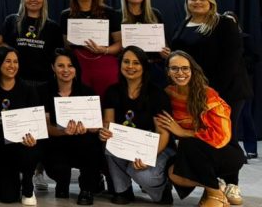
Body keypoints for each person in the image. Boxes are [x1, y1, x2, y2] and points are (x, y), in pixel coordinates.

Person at [170, 0, 252, 204]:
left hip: (227, 91)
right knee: (205, 136)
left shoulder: (223, 23)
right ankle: (215, 181)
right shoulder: (183, 25)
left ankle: (232, 184)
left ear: (211, 2)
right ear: (187, 2)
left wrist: (211, 94)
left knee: (226, 136)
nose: (197, 2)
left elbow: (231, 61)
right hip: (198, 93)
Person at [155, 51, 246, 207]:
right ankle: (216, 186)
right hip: (194, 153)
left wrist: (184, 132)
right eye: (174, 68)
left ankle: (215, 194)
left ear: (192, 70)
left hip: (224, 151)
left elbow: (221, 136)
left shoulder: (207, 95)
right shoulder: (167, 93)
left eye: (185, 68)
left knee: (188, 143)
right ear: (168, 72)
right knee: (172, 173)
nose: (180, 73)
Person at [97, 46, 173, 204]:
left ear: (144, 66)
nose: (130, 66)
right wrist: (104, 132)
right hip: (126, 145)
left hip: (157, 147)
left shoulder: (157, 94)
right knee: (109, 144)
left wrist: (148, 157)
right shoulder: (112, 91)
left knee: (140, 173)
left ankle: (162, 191)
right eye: (126, 62)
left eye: (136, 63)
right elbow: (108, 124)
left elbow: (163, 133)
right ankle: (123, 191)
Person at [42, 49, 103, 205]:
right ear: (53, 67)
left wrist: (91, 128)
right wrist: (63, 131)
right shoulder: (43, 91)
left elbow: (97, 126)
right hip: (56, 141)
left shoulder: (87, 92)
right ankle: (62, 182)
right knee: (57, 165)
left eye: (70, 65)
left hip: (83, 142)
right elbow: (45, 126)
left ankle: (87, 189)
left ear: (76, 68)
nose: (66, 70)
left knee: (92, 146)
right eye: (60, 65)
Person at [0, 46, 41, 205]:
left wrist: (33, 138)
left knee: (31, 148)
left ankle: (27, 185)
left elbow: (36, 123)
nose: (12, 65)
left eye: (16, 62)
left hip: (21, 145)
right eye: (8, 61)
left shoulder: (28, 89)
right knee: (7, 198)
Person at [59, 0, 121, 97]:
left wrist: (105, 50)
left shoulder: (109, 13)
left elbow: (120, 44)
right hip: (79, 65)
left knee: (107, 99)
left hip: (105, 63)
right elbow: (67, 46)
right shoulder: (66, 15)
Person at [2, 0, 62, 87]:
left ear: (43, 0)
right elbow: (3, 49)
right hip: (15, 80)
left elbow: (58, 57)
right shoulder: (11, 21)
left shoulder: (53, 27)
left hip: (43, 82)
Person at [119, 0, 170, 86]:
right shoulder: (117, 16)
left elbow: (164, 46)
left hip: (155, 70)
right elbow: (116, 48)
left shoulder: (155, 14)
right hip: (129, 70)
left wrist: (165, 53)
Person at [223, 11, 258, 160]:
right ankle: (233, 150)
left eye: (231, 20)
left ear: (237, 22)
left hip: (243, 83)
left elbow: (254, 57)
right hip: (226, 84)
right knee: (229, 118)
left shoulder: (245, 38)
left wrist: (239, 62)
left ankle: (251, 148)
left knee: (246, 115)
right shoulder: (219, 39)